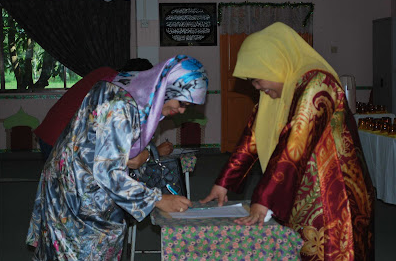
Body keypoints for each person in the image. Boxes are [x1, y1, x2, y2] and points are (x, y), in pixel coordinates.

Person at [201, 22, 374, 260]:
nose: (256, 87)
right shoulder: (283, 88)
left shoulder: (319, 84)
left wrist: (264, 198)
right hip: (302, 188)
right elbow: (252, 137)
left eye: (256, 79)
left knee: (333, 251)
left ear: (274, 63)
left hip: (333, 192)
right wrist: (224, 182)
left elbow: (295, 142)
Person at [26, 55, 208, 260]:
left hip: (76, 180)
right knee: (78, 252)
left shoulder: (131, 87)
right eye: (181, 102)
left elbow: (111, 147)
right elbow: (108, 171)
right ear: (168, 86)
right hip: (78, 192)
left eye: (188, 106)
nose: (181, 110)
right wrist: (158, 199)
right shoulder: (121, 104)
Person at [34, 58, 173, 160]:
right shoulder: (115, 86)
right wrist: (153, 152)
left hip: (52, 132)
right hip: (62, 139)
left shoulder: (106, 74)